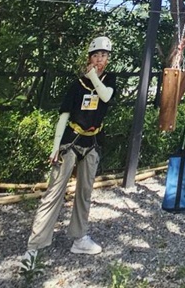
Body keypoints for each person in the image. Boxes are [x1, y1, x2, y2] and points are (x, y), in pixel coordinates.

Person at [20, 36, 116, 270]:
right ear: (89, 58)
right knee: (54, 192)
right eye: (96, 55)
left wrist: (93, 76)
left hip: (92, 142)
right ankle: (34, 247)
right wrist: (55, 146)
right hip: (70, 141)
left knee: (84, 192)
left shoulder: (110, 80)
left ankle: (80, 237)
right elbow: (64, 115)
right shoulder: (76, 86)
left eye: (104, 56)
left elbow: (105, 96)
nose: (100, 60)